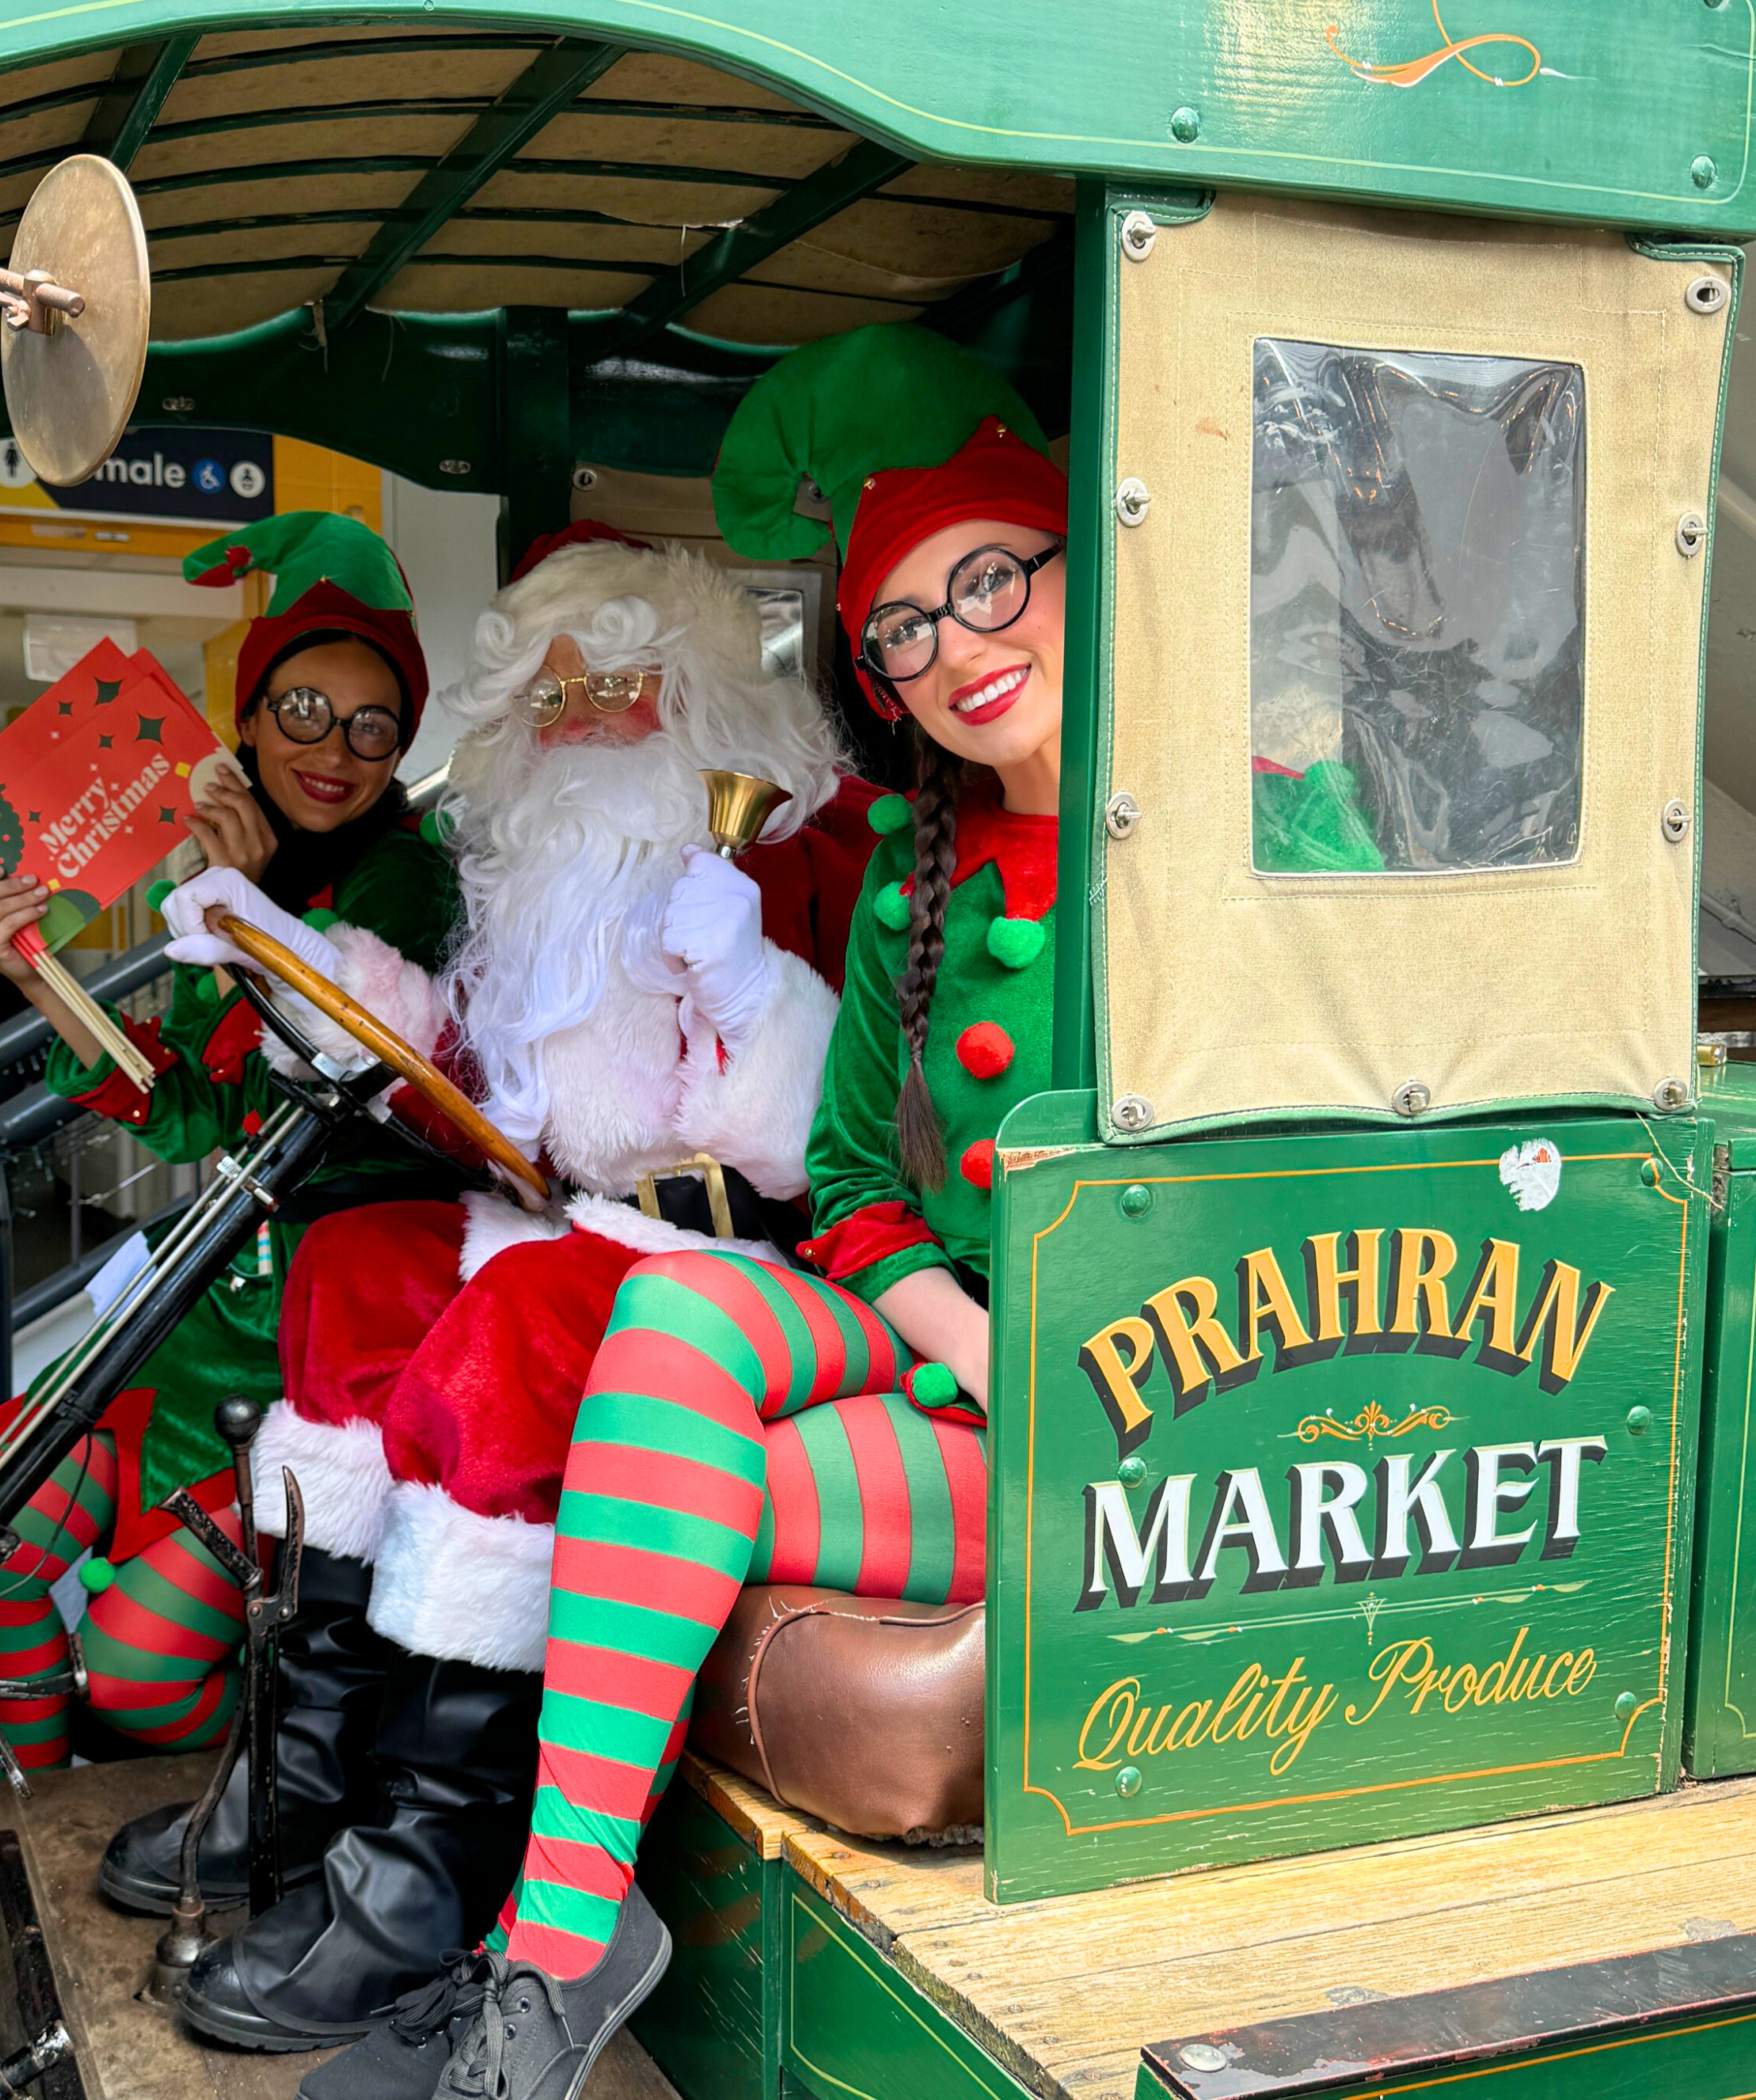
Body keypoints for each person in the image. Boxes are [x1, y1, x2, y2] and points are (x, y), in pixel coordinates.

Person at [318, 323, 1071, 2100]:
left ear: (1073, 561)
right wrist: (955, 1329)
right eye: (902, 624)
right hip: (958, 1343)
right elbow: (873, 1186)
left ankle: (538, 1954)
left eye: (986, 585)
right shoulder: (919, 863)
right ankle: (558, 1952)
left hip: (1151, 1390)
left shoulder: (1245, 831)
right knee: (663, 1332)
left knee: (646, 1442)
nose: (952, 649)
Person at [102, 533, 882, 2050]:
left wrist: (747, 987)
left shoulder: (784, 853)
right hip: (547, 1216)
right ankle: (308, 1784)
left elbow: (820, 1146)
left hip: (713, 1257)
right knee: (350, 1265)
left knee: (517, 1333)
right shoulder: (530, 874)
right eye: (558, 697)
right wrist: (283, 956)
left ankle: (426, 1870)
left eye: (624, 693)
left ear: (700, 696)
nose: (586, 727)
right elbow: (456, 1063)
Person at [0, 512, 460, 1772]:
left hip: (324, 1360)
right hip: (193, 1325)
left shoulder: (404, 883)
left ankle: (226, 1840)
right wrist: (35, 968)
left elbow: (351, 1067)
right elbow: (183, 1112)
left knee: (135, 1659)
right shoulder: (227, 870)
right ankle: (26, 1848)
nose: (334, 750)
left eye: (373, 725)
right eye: (302, 709)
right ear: (250, 710)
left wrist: (248, 907)